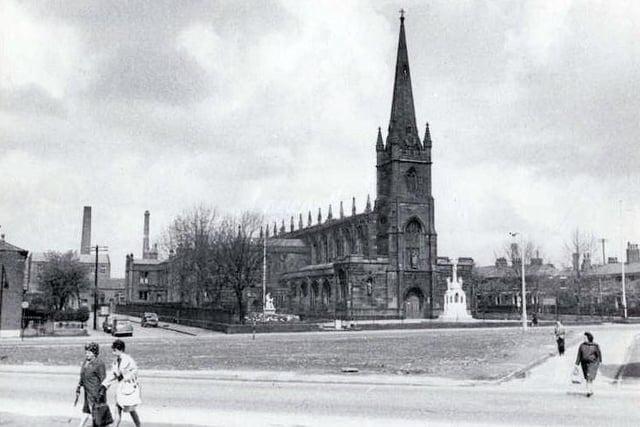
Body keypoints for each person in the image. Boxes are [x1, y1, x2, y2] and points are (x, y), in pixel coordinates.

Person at [101, 339, 142, 427]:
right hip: (122, 389)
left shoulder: (128, 360)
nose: (113, 352)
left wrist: (125, 376)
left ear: (120, 350)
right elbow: (112, 374)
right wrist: (104, 385)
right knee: (118, 408)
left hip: (129, 389)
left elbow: (134, 371)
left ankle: (138, 425)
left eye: (114, 350)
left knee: (131, 410)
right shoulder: (116, 361)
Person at [76, 342, 106, 427]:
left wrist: (101, 392)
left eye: (89, 352)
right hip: (87, 391)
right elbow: (82, 375)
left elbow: (104, 379)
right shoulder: (86, 362)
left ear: (95, 353)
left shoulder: (99, 363)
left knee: (95, 413)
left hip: (95, 393)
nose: (87, 354)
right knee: (86, 410)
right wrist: (79, 386)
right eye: (86, 352)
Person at [574, 332, 602, 397]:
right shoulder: (581, 345)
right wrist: (576, 364)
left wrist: (599, 362)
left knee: (589, 377)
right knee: (588, 378)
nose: (583, 338)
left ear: (588, 338)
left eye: (585, 337)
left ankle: (588, 391)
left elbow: (599, 354)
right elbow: (579, 355)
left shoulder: (595, 346)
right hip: (584, 364)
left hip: (593, 364)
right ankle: (591, 389)